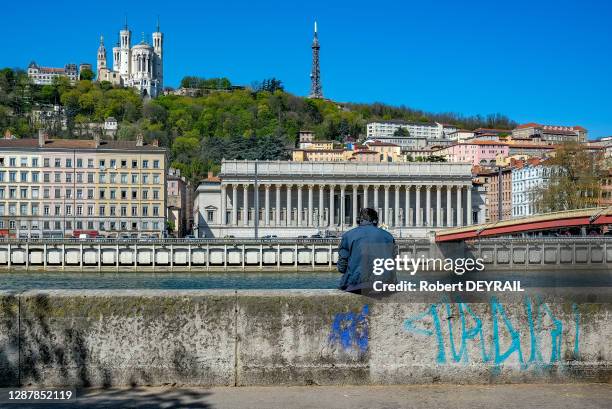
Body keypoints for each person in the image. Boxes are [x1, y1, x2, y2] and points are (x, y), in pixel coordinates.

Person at [337, 208, 396, 294]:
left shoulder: (348, 235)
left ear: (358, 220)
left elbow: (342, 267)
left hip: (357, 285)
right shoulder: (388, 236)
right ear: (375, 221)